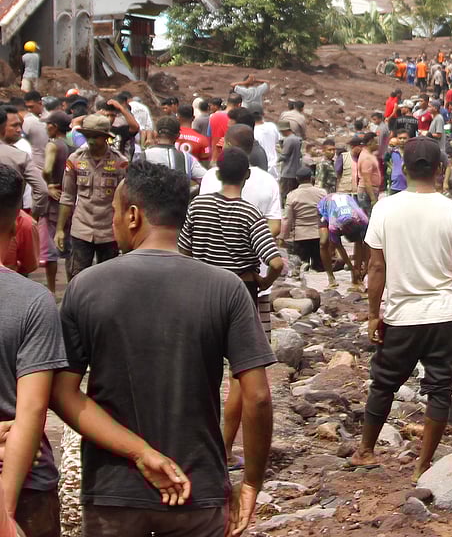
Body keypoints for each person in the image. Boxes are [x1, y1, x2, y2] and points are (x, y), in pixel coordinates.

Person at [53, 160, 274, 537]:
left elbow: (61, 394)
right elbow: (257, 397)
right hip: (197, 489)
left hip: (114, 492)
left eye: (115, 212)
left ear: (133, 216)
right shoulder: (226, 289)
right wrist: (251, 481)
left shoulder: (86, 287)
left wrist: (139, 452)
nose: (113, 222)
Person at [349, 138, 452, 481]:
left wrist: (373, 314)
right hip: (446, 314)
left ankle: (366, 451)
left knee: (383, 384)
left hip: (401, 316)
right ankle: (422, 465)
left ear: (402, 169)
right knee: (440, 389)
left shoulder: (385, 209)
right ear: (440, 170)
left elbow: (376, 267)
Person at [179, 148, 284, 470]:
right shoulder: (250, 214)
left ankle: (196, 447)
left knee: (202, 373)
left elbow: (183, 252)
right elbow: (276, 262)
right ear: (246, 175)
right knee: (240, 375)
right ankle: (224, 451)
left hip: (201, 294)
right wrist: (264, 282)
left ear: (217, 173)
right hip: (240, 294)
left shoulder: (197, 206)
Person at [0, 164, 68, 537]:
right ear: (16, 228)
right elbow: (32, 409)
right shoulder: (33, 302)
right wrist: (6, 514)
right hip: (26, 484)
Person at [56, 114, 128, 279]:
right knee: (76, 276)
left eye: (95, 137)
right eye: (87, 136)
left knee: (108, 279)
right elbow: (67, 196)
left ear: (106, 137)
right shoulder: (75, 159)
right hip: (81, 228)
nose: (91, 141)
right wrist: (60, 229)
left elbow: (125, 200)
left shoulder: (120, 162)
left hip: (109, 232)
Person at [197, 126, 282, 238]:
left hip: (212, 245)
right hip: (252, 246)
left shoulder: (211, 175)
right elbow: (275, 225)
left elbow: (203, 216)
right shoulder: (269, 181)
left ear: (228, 146)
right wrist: (251, 242)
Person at [40, 111, 71, 296]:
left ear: (55, 126)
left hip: (54, 202)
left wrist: (49, 184)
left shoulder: (52, 145)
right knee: (69, 248)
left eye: (48, 124)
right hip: (69, 201)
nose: (46, 127)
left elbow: (46, 169)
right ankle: (70, 288)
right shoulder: (73, 146)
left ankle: (51, 290)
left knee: (50, 250)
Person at [281, 166, 327, 282]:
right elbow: (327, 213)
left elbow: (287, 219)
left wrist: (283, 237)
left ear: (297, 179)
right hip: (319, 235)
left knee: (300, 268)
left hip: (301, 237)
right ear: (311, 178)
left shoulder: (292, 195)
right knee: (320, 269)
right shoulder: (322, 193)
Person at [0, 107, 47, 220]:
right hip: (10, 221)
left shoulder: (21, 151)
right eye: (14, 125)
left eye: (20, 125)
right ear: (3, 128)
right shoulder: (19, 156)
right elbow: (42, 190)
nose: (19, 130)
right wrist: (32, 217)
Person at [317, 192, 369, 288]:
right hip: (325, 205)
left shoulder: (363, 220)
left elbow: (366, 243)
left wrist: (365, 267)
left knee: (359, 241)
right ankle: (331, 277)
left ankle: (356, 278)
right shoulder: (334, 225)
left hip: (346, 201)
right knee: (324, 243)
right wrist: (351, 268)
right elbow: (340, 247)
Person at [142, 116, 205, 192]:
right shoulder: (187, 159)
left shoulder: (144, 156)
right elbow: (207, 179)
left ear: (155, 134)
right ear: (178, 136)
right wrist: (193, 192)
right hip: (180, 199)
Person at [278, 119, 303, 199]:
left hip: (287, 172)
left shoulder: (288, 140)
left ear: (284, 130)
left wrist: (276, 160)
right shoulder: (298, 139)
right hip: (296, 171)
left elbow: (284, 156)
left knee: (285, 195)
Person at [252, 113, 281, 180]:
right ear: (263, 115)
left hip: (261, 166)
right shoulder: (272, 126)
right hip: (274, 166)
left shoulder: (252, 131)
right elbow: (278, 140)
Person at [356, 141, 382, 212]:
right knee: (368, 215)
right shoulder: (366, 158)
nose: (377, 144)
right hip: (367, 192)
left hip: (370, 190)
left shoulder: (369, 155)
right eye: (375, 142)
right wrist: (372, 198)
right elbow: (366, 179)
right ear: (369, 143)